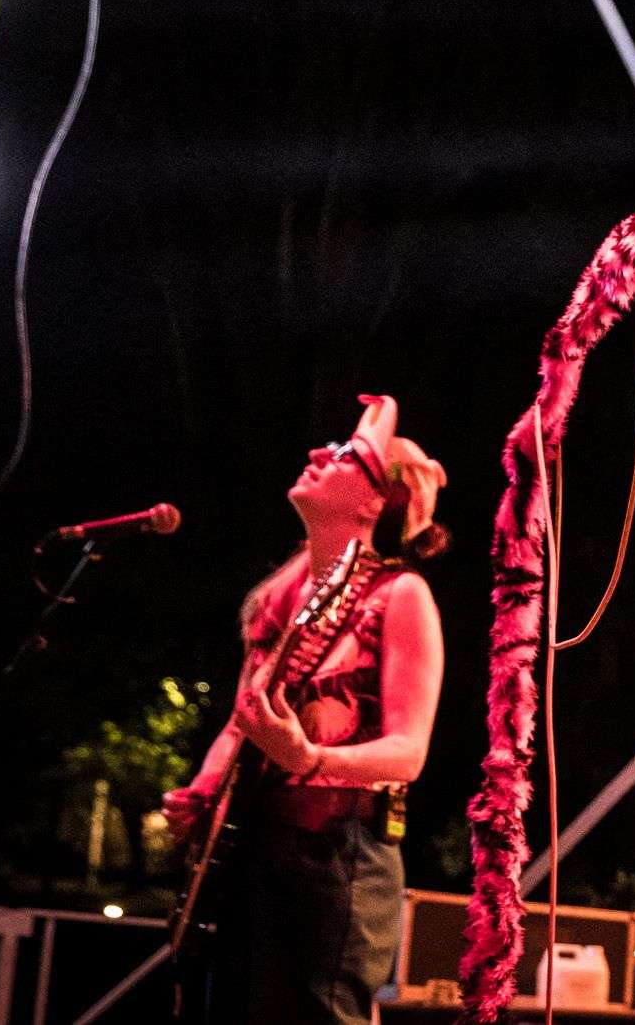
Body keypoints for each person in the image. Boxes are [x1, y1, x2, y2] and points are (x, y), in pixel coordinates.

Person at [163, 394, 449, 1025]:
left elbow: (409, 753)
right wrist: (204, 790)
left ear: (375, 503)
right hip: (253, 847)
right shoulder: (279, 599)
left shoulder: (401, 596)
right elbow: (245, 721)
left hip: (338, 855)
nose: (321, 453)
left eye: (348, 454)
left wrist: (310, 757)